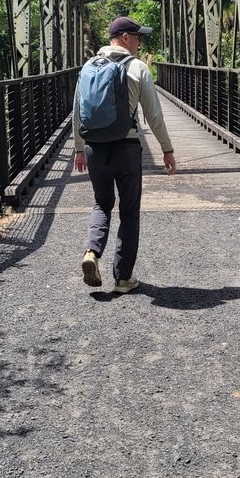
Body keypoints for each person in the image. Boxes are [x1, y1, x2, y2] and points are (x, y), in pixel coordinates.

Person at [73, 15, 177, 294]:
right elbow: (154, 115)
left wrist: (79, 148)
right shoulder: (137, 67)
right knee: (129, 212)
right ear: (126, 38)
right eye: (137, 36)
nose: (140, 41)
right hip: (126, 147)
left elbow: (77, 113)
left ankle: (92, 253)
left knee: (101, 204)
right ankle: (122, 278)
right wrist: (166, 149)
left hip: (95, 148)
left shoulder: (87, 67)